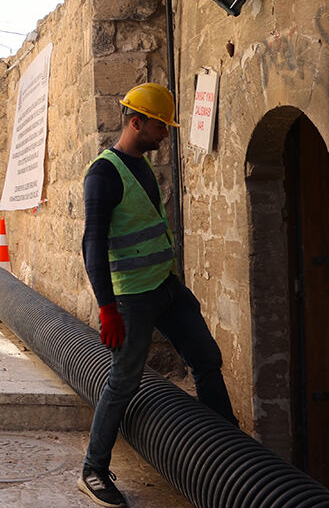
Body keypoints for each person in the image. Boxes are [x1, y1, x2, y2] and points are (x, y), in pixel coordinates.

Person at [77, 83, 237, 508]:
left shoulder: (142, 164)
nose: (165, 134)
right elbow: (92, 245)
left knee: (206, 360)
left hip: (166, 286)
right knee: (123, 381)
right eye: (160, 127)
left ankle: (231, 449)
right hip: (132, 299)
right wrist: (107, 308)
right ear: (137, 123)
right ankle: (93, 469)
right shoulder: (104, 174)